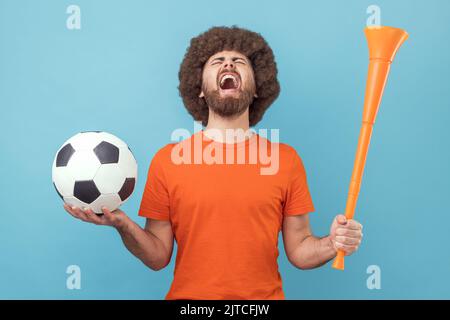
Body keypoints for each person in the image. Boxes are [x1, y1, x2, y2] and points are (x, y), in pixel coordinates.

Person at [64, 26, 363, 300]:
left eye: (240, 61)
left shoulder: (286, 161)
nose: (229, 64)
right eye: (217, 61)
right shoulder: (167, 161)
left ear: (258, 87)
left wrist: (333, 242)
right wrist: (123, 224)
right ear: (199, 88)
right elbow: (157, 256)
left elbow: (299, 251)